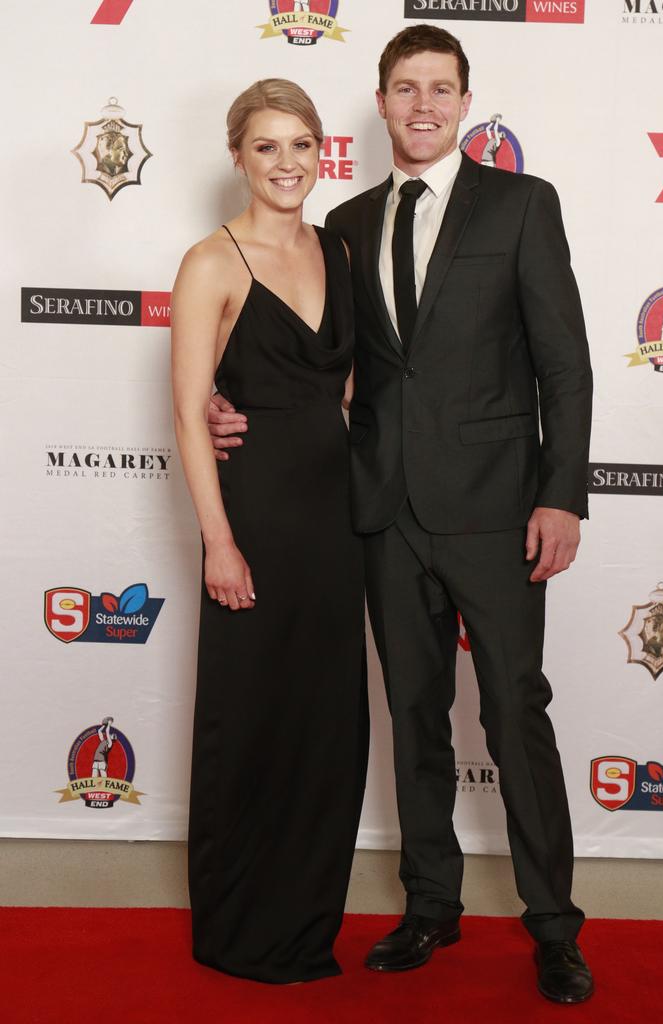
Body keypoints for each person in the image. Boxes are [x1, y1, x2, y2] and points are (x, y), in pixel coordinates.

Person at [209, 26, 594, 1004]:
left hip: (497, 511)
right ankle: (432, 903)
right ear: (378, 103)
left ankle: (553, 923)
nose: (423, 105)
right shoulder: (340, 223)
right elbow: (310, 357)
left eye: (442, 89)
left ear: (465, 102)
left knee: (514, 712)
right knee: (414, 715)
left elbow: (565, 364)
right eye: (405, 88)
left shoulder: (523, 204)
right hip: (379, 510)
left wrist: (560, 492)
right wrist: (226, 401)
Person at [172, 78, 367, 985]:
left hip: (334, 523)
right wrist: (218, 539)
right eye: (266, 147)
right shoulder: (212, 262)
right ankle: (241, 922)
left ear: (321, 153)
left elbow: (351, 387)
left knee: (327, 728)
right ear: (239, 157)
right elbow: (185, 415)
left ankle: (307, 923)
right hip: (254, 519)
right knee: (250, 721)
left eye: (301, 146)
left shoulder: (341, 249)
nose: (286, 164)